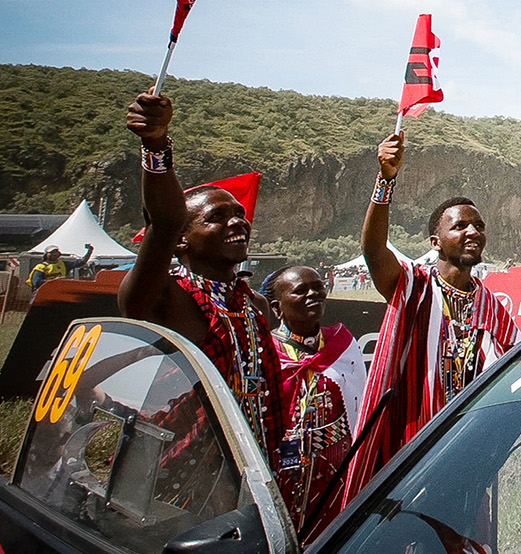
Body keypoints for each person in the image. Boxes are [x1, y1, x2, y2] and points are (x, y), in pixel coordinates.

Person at [341, 130, 520, 502]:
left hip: (464, 458)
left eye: (479, 226)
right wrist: (385, 180)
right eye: (460, 226)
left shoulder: (490, 304)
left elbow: (520, 362)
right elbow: (374, 251)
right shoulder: (414, 286)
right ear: (436, 242)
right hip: (406, 454)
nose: (473, 232)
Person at [119, 91, 285, 455]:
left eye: (239, 213)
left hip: (259, 468)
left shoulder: (254, 304)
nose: (237, 222)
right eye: (216, 217)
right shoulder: (165, 299)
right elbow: (165, 221)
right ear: (181, 240)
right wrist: (155, 144)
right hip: (182, 478)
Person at [264, 265, 368, 533]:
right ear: (277, 308)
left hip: (339, 468)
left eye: (318, 287)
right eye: (301, 290)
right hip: (284, 465)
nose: (313, 294)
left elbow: (360, 401)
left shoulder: (341, 342)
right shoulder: (266, 352)